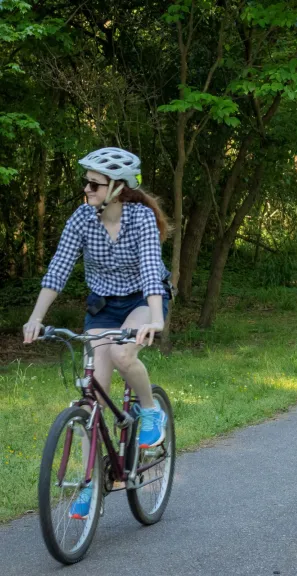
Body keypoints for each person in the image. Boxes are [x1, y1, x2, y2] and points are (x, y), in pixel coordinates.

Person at [22, 147, 172, 518]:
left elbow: (153, 271)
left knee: (124, 355)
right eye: (85, 182)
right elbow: (58, 269)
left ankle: (151, 412)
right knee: (94, 400)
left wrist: (155, 319)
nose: (86, 189)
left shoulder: (140, 219)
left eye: (94, 184)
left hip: (141, 301)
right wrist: (35, 317)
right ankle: (91, 484)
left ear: (118, 187)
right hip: (102, 307)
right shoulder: (82, 219)